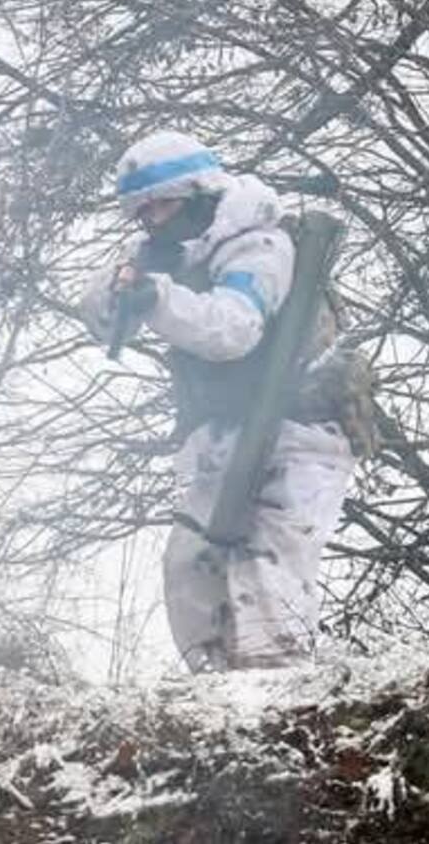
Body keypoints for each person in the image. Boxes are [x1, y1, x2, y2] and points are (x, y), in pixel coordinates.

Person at [79, 131, 359, 673]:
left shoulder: (259, 245)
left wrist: (158, 299)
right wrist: (123, 289)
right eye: (142, 212)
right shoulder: (171, 250)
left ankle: (280, 697)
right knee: (192, 564)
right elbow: (97, 314)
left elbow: (234, 329)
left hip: (303, 434)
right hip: (231, 434)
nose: (152, 221)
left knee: (267, 569)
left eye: (161, 205)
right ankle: (215, 695)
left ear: (198, 193)